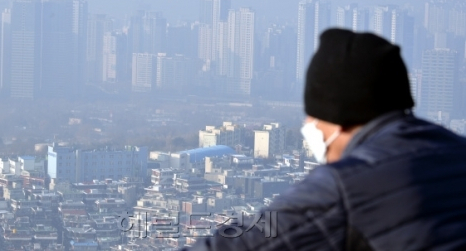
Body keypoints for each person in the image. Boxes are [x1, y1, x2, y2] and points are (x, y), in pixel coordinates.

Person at [184, 28, 466, 250]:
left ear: (338, 117)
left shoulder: (346, 184)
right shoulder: (456, 150)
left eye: (313, 117)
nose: (309, 127)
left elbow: (244, 242)